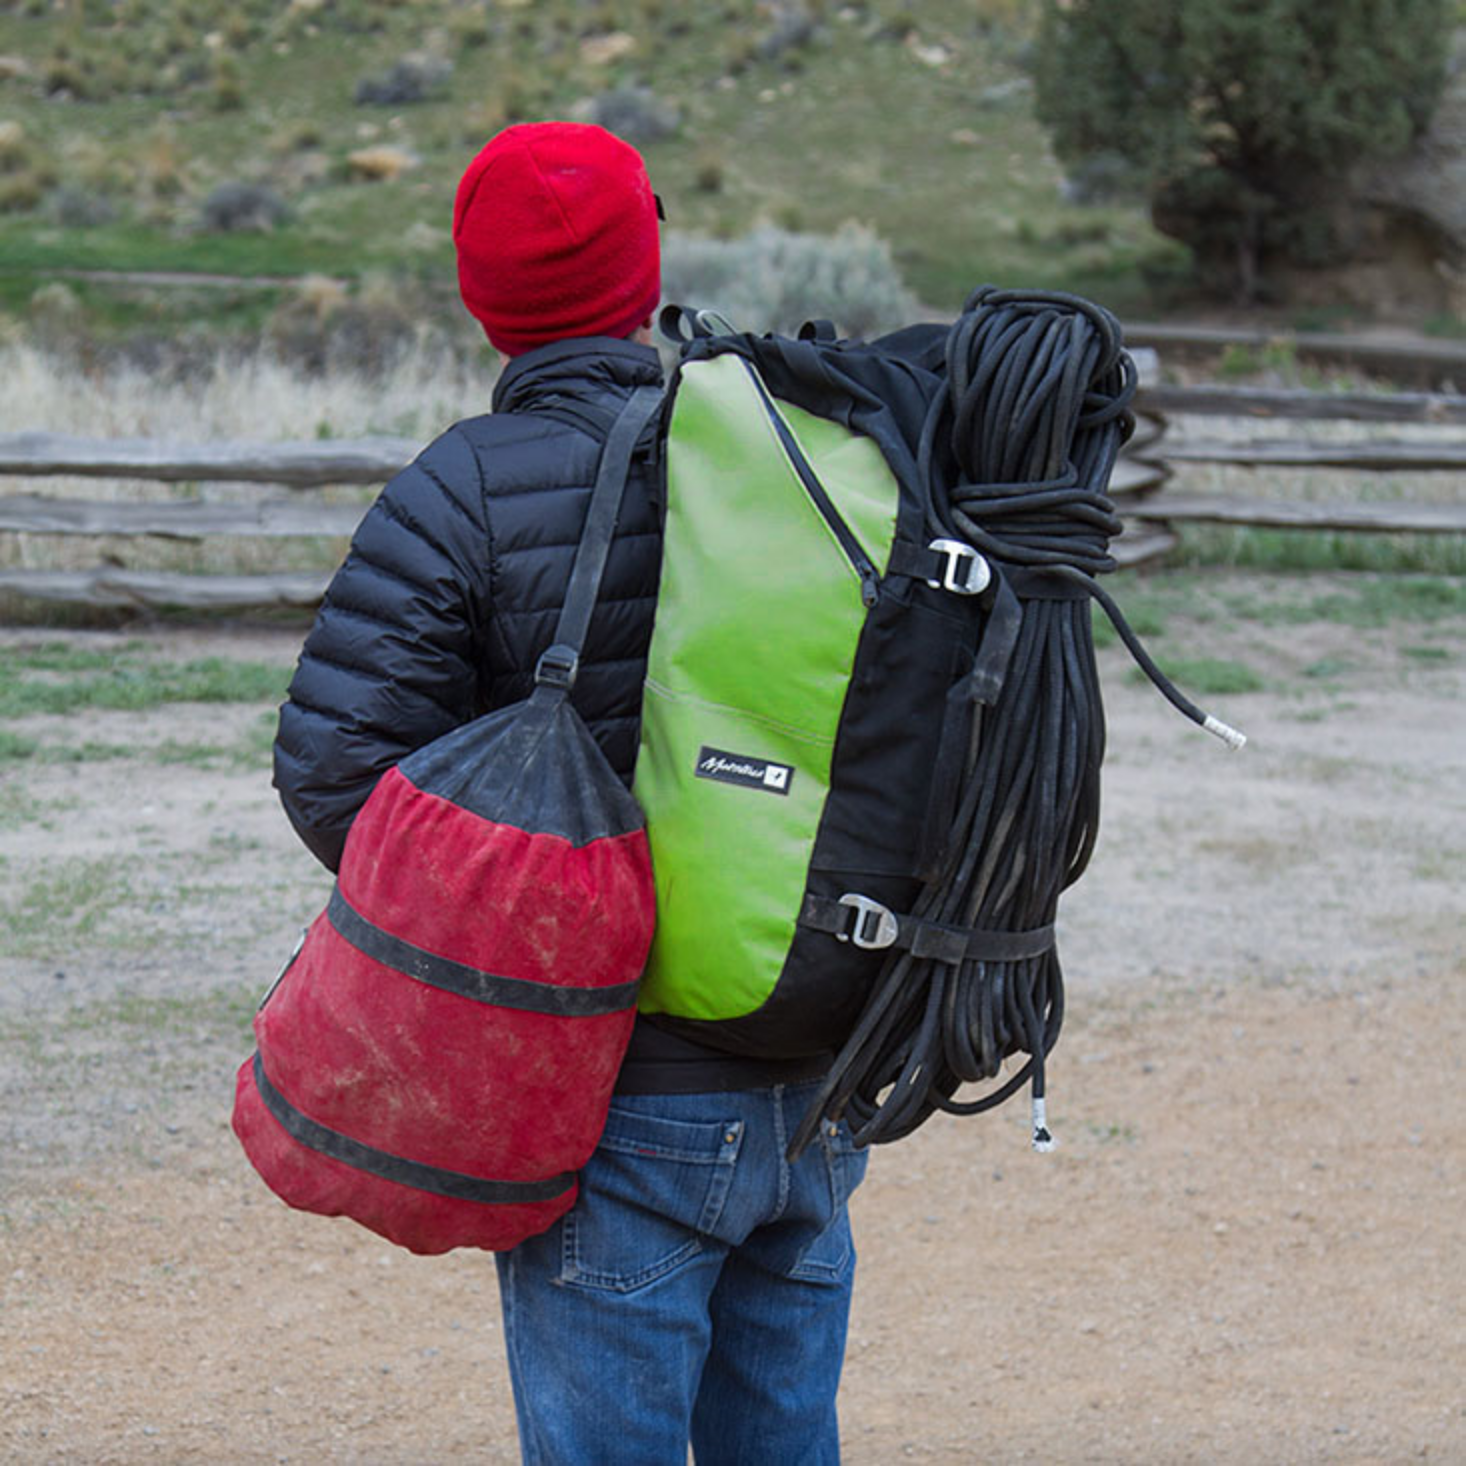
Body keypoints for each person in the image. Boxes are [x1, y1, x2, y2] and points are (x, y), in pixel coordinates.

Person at [273, 121, 869, 1464]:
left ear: (483, 297)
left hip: (604, 1089)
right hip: (807, 1058)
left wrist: (521, 927)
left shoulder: (465, 488)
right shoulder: (790, 459)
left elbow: (333, 773)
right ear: (643, 268)